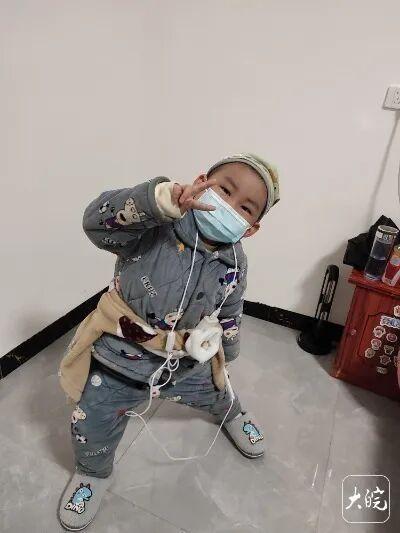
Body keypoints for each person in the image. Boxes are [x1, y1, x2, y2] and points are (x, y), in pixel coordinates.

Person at [58, 153, 280, 530]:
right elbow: (95, 223)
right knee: (91, 420)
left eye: (245, 208)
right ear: (201, 182)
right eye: (225, 190)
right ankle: (92, 473)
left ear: (252, 228)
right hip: (119, 354)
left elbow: (231, 307)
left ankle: (233, 414)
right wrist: (157, 202)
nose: (229, 206)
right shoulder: (154, 227)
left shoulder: (235, 263)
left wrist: (228, 349)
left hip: (182, 359)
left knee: (218, 388)